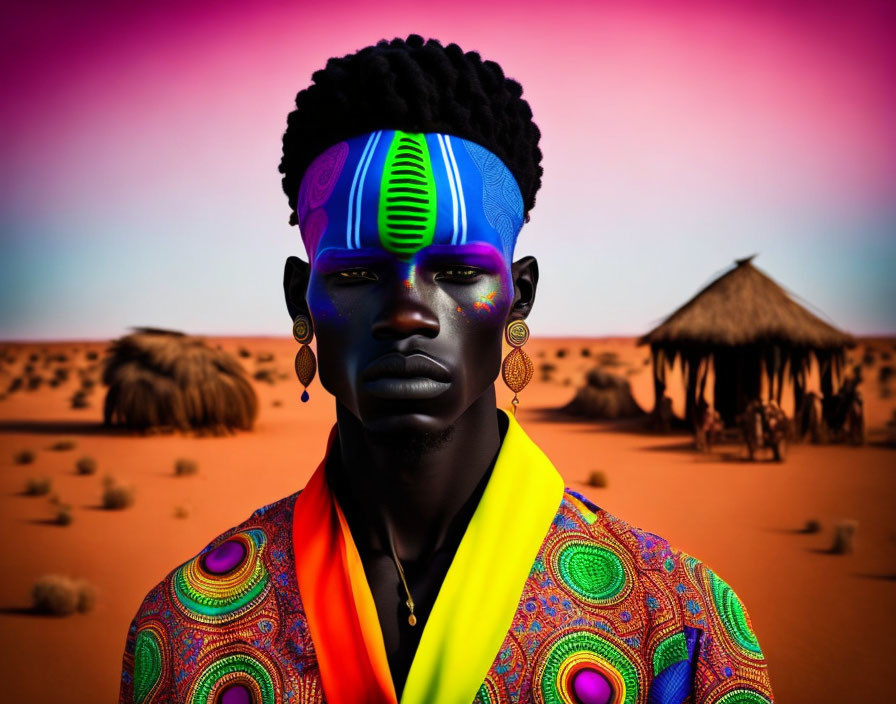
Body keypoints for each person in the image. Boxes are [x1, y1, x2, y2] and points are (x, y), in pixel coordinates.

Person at [118, 35, 774, 704]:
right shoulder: (188, 630)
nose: (406, 313)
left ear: (518, 296)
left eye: (459, 273)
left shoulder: (678, 627)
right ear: (301, 299)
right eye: (358, 274)